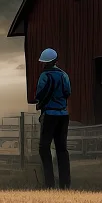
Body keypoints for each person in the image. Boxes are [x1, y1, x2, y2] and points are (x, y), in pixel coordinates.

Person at [35, 47, 71, 190]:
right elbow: (68, 92)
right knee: (62, 149)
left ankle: (49, 184)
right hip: (63, 115)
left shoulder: (44, 76)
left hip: (49, 115)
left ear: (45, 62)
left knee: (44, 148)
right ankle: (65, 184)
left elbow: (39, 95)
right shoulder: (64, 75)